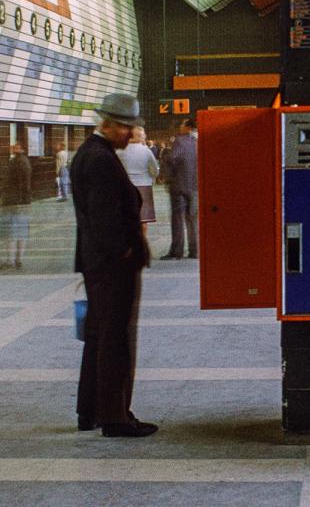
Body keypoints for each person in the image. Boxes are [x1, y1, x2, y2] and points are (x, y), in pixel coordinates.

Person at [70, 92, 158, 437]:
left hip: (97, 263)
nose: (130, 133)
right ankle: (115, 417)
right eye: (125, 127)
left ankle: (89, 411)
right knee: (115, 339)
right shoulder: (101, 159)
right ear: (107, 124)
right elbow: (104, 216)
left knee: (97, 337)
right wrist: (123, 252)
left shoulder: (89, 154)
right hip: (111, 266)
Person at [161, 118, 198, 260]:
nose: (180, 127)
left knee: (178, 219)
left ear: (188, 127)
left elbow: (172, 158)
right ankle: (195, 251)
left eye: (182, 125)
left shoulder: (180, 141)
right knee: (193, 219)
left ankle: (177, 251)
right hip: (195, 186)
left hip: (179, 185)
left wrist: (167, 174)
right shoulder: (199, 141)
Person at [116, 126, 159, 244]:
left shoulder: (119, 151)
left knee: (126, 219)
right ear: (141, 137)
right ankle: (142, 245)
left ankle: (127, 245)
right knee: (143, 220)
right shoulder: (146, 151)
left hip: (125, 187)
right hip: (144, 186)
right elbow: (155, 171)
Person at [0, 143, 32, 270]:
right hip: (23, 202)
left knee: (9, 233)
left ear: (19, 147)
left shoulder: (15, 162)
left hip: (12, 202)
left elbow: (8, 183)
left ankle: (10, 260)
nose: (11, 148)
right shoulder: (26, 161)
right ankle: (19, 259)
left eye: (14, 146)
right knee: (21, 232)